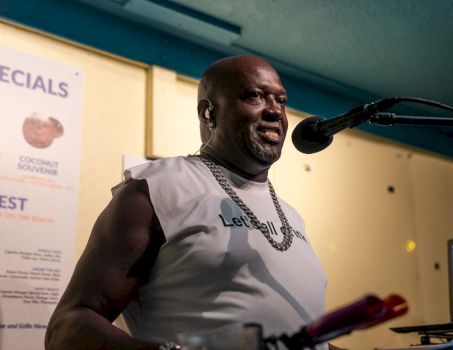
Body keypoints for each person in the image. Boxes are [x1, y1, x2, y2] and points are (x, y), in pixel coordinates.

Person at [45, 55, 331, 350]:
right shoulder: (156, 189)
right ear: (209, 112)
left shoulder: (292, 217)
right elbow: (68, 328)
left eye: (281, 101)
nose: (274, 111)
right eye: (255, 96)